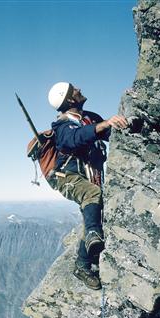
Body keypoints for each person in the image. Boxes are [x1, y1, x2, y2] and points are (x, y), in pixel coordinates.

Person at [48, 82, 128, 290]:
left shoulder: (88, 117)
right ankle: (93, 236)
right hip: (66, 176)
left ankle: (83, 264)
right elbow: (76, 138)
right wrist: (105, 124)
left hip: (87, 175)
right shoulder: (63, 126)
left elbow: (106, 134)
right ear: (70, 100)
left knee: (95, 207)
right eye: (74, 89)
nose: (79, 89)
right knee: (92, 195)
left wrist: (125, 128)